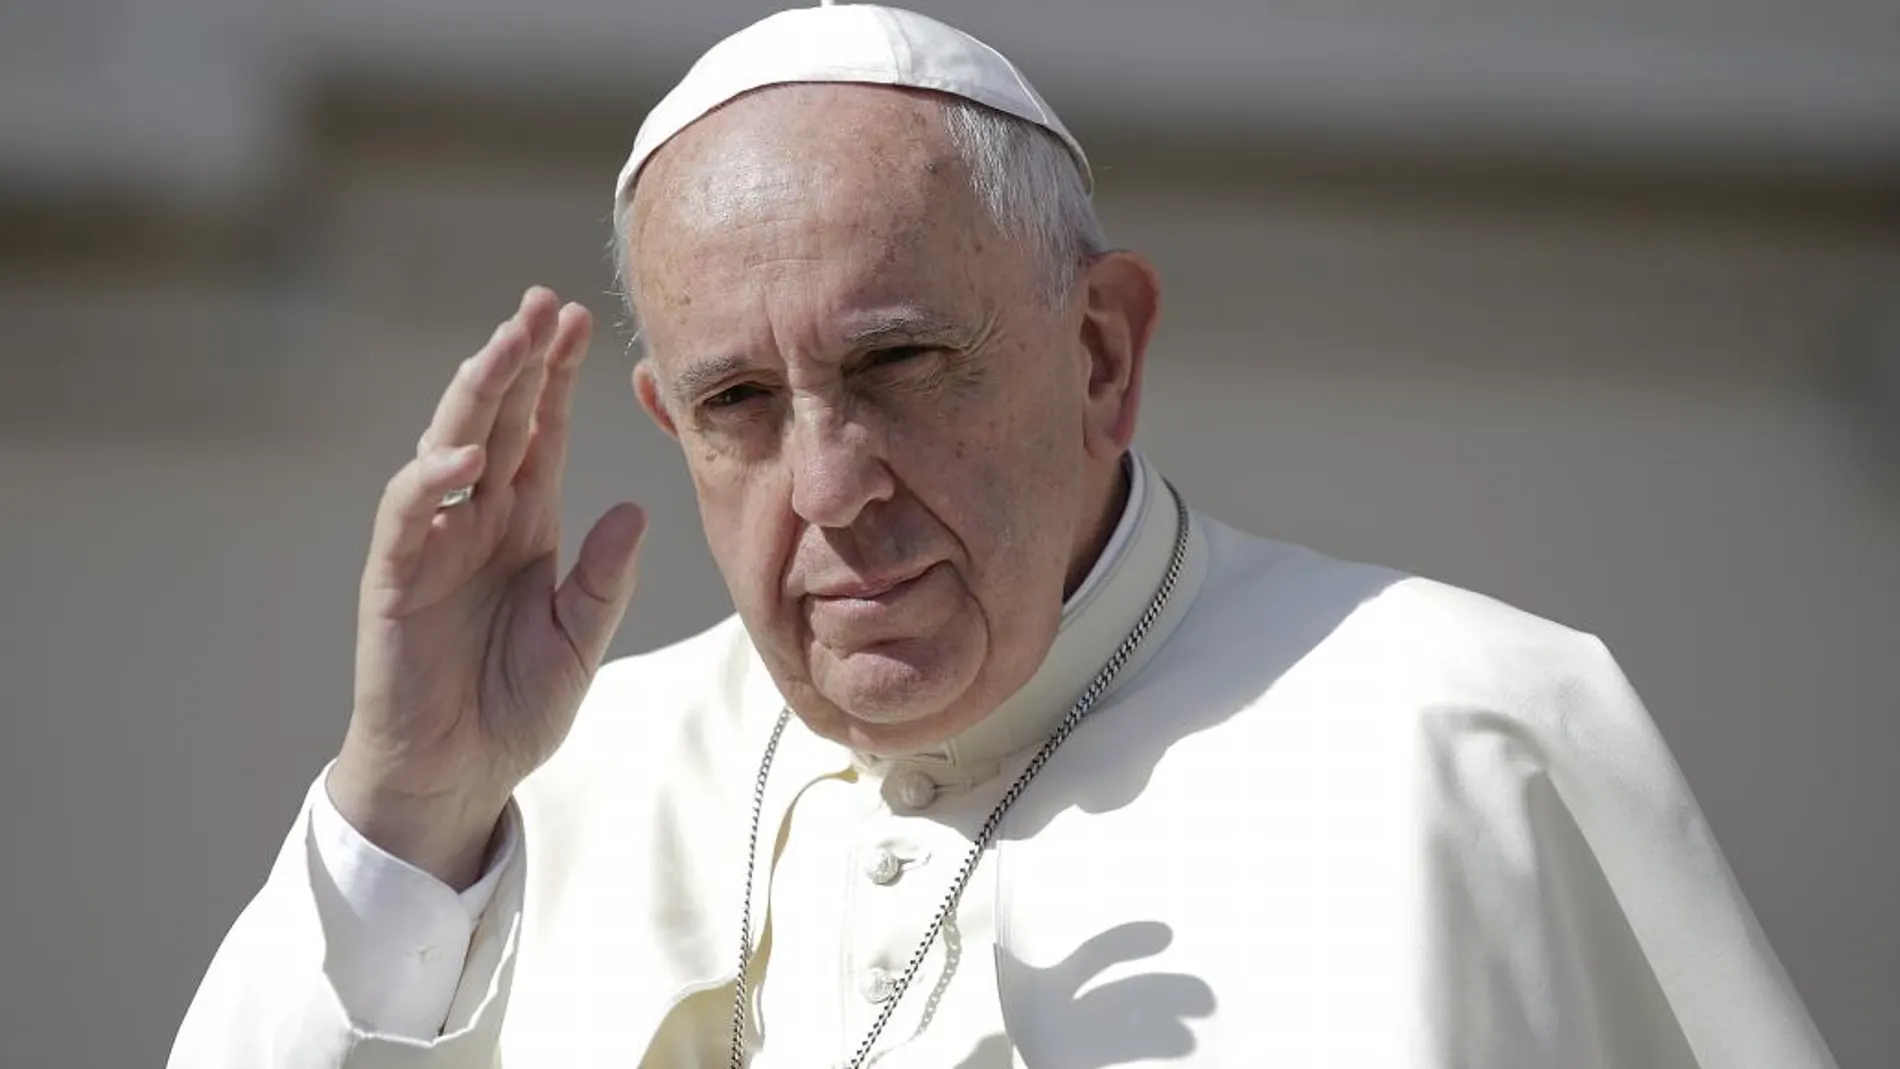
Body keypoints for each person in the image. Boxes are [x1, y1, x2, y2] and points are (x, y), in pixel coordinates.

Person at [169, 4, 1837, 1067]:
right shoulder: (534, 800)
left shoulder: (1466, 737)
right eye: (742, 403)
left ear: (1102, 356)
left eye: (898, 364)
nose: (830, 487)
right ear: (674, 428)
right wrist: (409, 813)